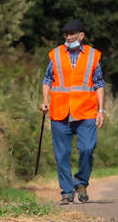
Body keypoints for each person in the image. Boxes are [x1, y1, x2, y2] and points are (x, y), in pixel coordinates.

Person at [40, 18, 105, 204]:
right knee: (61, 155)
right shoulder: (56, 55)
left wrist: (101, 110)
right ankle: (67, 191)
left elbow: (99, 84)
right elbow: (47, 80)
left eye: (72, 34)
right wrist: (45, 101)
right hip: (60, 112)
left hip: (86, 112)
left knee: (87, 148)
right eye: (66, 34)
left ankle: (81, 181)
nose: (68, 37)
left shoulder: (93, 56)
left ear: (81, 35)